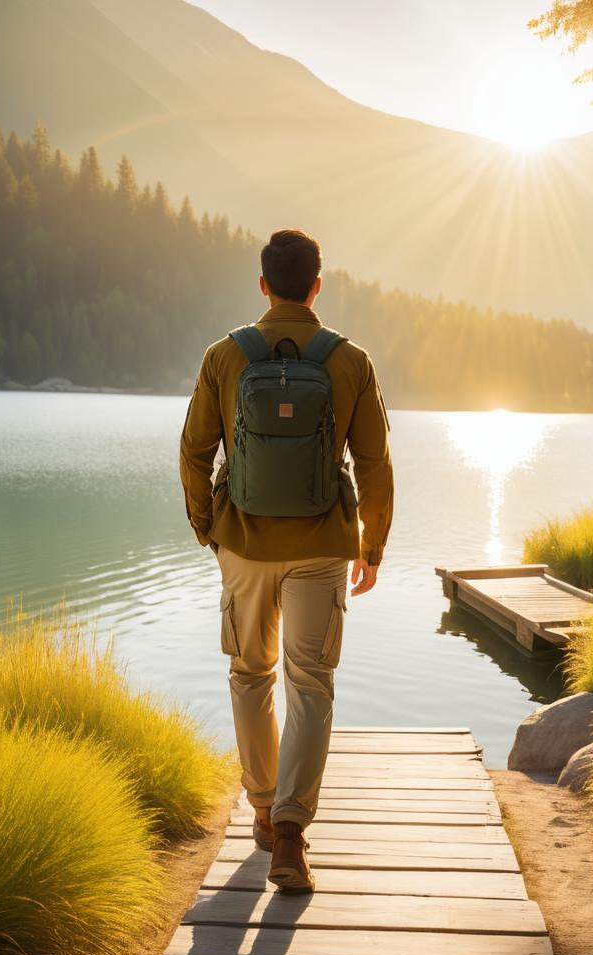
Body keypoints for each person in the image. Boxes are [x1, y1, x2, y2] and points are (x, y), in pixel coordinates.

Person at [179, 229, 394, 892]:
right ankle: (293, 838)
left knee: (250, 674)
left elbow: (194, 452)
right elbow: (374, 461)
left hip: (242, 542)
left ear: (264, 284)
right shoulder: (349, 360)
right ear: (318, 286)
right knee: (311, 685)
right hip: (324, 546)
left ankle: (266, 809)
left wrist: (207, 529)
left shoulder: (225, 356)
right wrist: (372, 542)